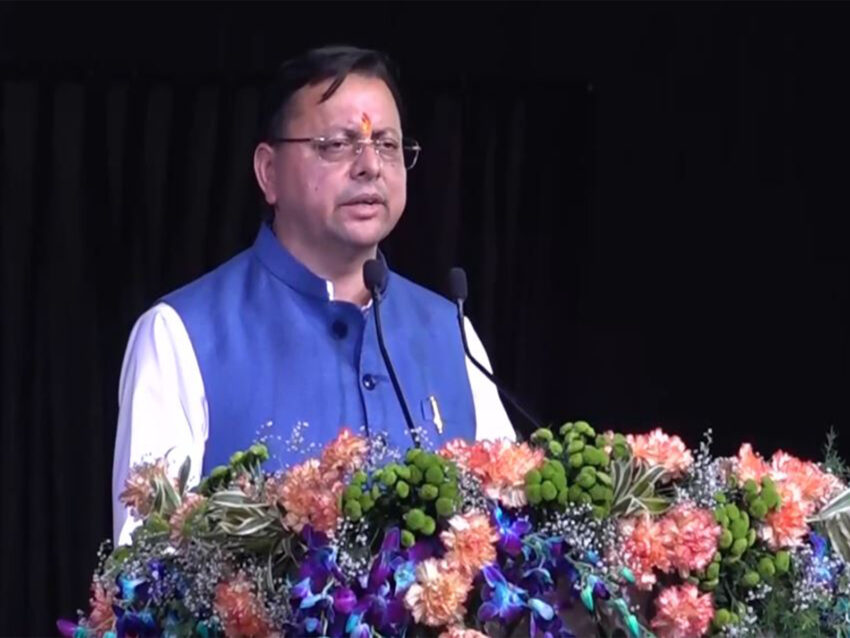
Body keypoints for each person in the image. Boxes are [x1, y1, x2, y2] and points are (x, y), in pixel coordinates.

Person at [112, 46, 515, 545]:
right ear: (269, 172)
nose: (370, 166)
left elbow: (511, 542)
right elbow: (144, 569)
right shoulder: (180, 335)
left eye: (387, 144)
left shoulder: (451, 334)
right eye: (337, 145)